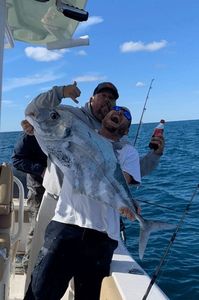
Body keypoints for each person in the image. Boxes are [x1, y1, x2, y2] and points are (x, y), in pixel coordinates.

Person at [23, 81, 164, 293]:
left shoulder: (127, 151)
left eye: (121, 109)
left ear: (126, 130)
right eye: (105, 98)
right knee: (40, 291)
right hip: (66, 223)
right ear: (93, 100)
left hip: (101, 236)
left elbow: (122, 178)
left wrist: (124, 201)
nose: (113, 106)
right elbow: (36, 112)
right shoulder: (78, 126)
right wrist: (56, 98)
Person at [12, 133, 47, 273]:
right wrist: (41, 170)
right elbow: (16, 160)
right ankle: (29, 266)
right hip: (38, 189)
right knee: (36, 228)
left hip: (63, 190)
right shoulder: (29, 135)